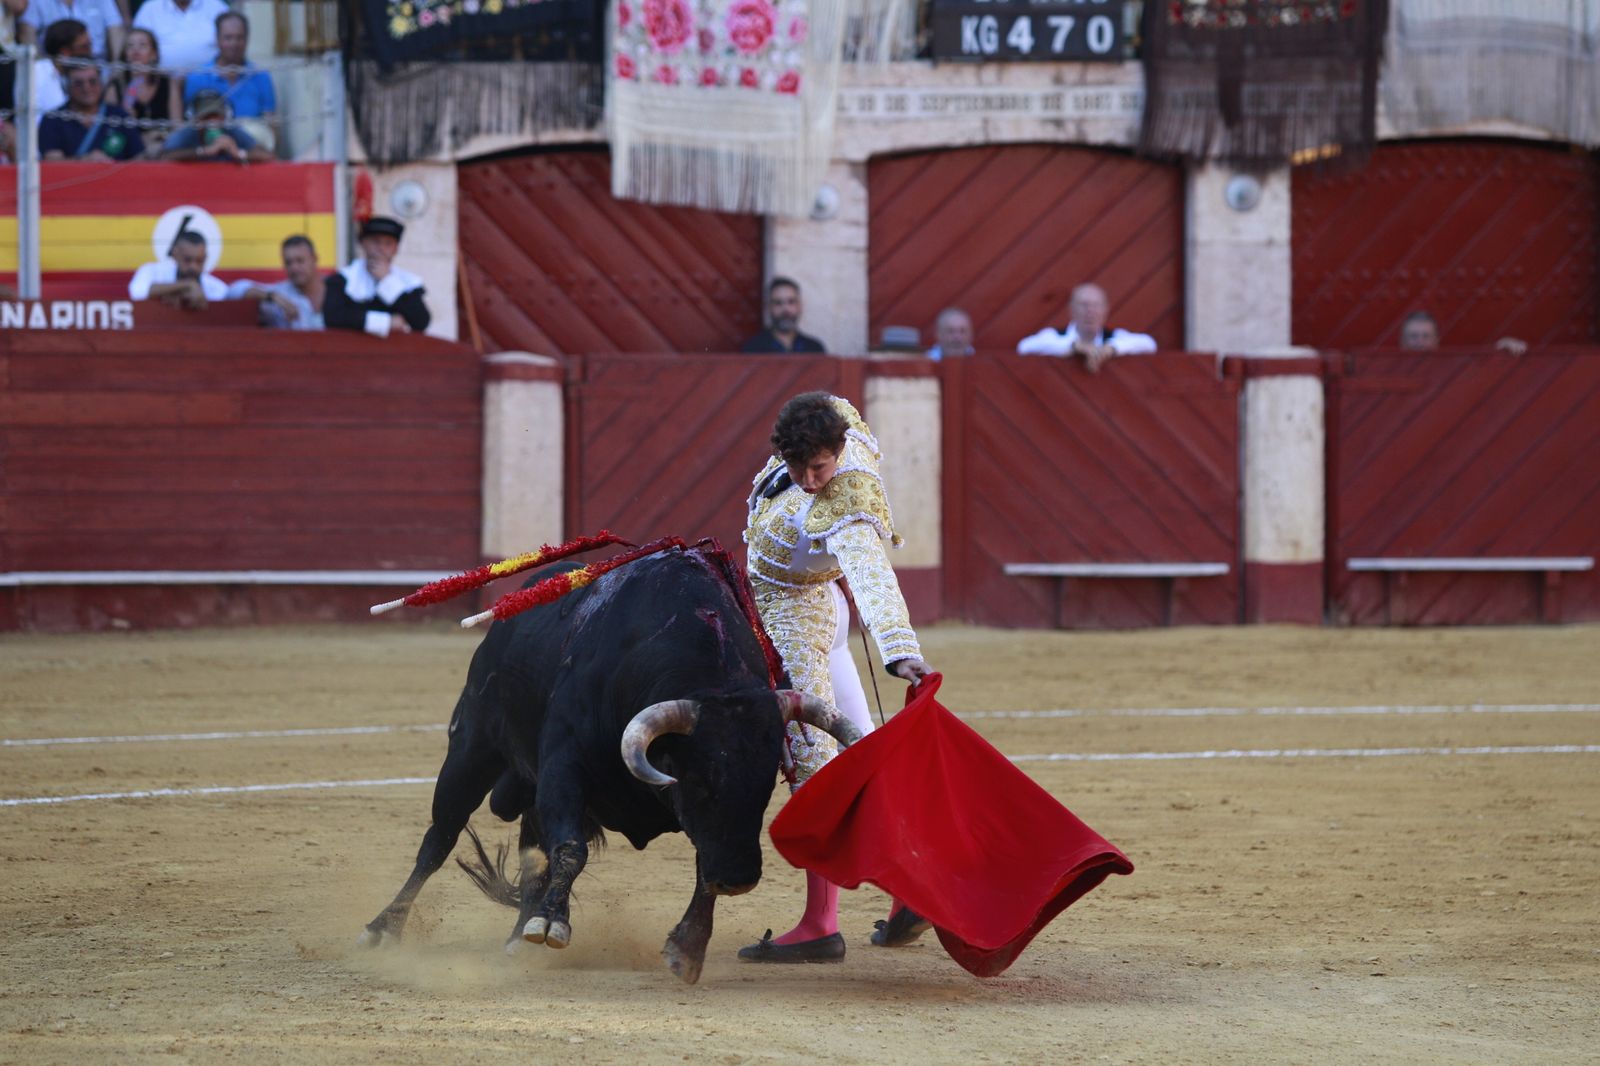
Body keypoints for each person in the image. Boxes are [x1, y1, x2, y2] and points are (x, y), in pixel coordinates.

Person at [737, 391, 936, 963]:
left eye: (818, 466)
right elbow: (830, 404)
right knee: (860, 752)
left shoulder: (847, 501)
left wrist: (900, 651)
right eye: (796, 466)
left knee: (815, 765)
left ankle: (822, 923)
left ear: (839, 452)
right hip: (818, 608)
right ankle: (907, 895)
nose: (807, 479)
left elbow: (872, 574)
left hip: (797, 621)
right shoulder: (835, 423)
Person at [323, 216, 431, 337]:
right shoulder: (343, 279)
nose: (381, 248)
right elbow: (332, 317)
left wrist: (387, 280)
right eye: (375, 241)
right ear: (363, 243)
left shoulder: (408, 282)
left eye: (388, 243)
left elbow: (421, 321)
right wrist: (386, 323)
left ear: (396, 248)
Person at [182, 11, 275, 151]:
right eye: (228, 38)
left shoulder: (261, 76)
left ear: (247, 39)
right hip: (209, 155)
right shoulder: (198, 77)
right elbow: (191, 126)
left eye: (239, 38)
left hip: (251, 155)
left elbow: (271, 125)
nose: (234, 44)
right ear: (217, 39)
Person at [1016, 282, 1157, 372]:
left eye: (1096, 305)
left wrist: (1110, 349)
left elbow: (1148, 344)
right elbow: (1024, 347)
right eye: (1084, 305)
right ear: (1071, 309)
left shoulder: (1115, 337)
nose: (1090, 311)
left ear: (1105, 310)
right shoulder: (1057, 335)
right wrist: (1075, 347)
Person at [39, 61, 143, 160]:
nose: (86, 88)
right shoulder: (52, 120)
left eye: (92, 82)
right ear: (66, 86)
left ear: (101, 83)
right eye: (78, 83)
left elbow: (138, 159)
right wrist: (85, 162)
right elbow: (52, 162)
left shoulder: (120, 117)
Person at [230, 235, 326, 330]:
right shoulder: (280, 293)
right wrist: (272, 297)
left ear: (314, 259)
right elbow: (234, 291)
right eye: (288, 263)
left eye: (300, 261)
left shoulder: (334, 288)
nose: (294, 268)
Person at [159, 87, 271, 162]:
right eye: (206, 117)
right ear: (195, 119)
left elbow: (268, 156)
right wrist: (203, 151)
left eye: (216, 116)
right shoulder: (187, 133)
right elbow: (163, 157)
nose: (212, 121)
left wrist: (238, 153)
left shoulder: (231, 131)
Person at [115, 27, 180, 154]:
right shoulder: (116, 85)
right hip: (128, 151)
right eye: (130, 46)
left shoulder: (168, 83)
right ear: (125, 54)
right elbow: (109, 131)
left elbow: (177, 126)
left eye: (142, 45)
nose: (136, 50)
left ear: (154, 54)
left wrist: (160, 136)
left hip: (163, 148)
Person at [128, 227, 228, 309]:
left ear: (205, 258)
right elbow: (137, 292)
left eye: (199, 261)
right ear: (175, 254)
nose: (193, 267)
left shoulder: (216, 287)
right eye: (187, 260)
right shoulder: (152, 271)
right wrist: (188, 285)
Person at [131, 0, 228, 76]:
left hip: (211, 85)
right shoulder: (150, 9)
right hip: (161, 85)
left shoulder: (217, 7)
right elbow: (135, 48)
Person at [18, 0, 126, 63]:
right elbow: (27, 33)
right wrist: (43, 71)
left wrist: (116, 74)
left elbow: (116, 30)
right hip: (55, 70)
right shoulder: (37, 2)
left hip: (96, 70)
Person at [741, 277, 827, 353]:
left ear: (800, 306)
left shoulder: (814, 349)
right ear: (768, 307)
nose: (786, 309)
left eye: (791, 302)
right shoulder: (753, 349)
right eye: (778, 303)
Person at [1399, 310, 1527, 355]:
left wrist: (1504, 346)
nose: (1420, 341)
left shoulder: (1449, 368)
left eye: (1426, 336)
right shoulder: (1392, 370)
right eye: (1414, 336)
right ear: (1403, 341)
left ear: (1436, 339)